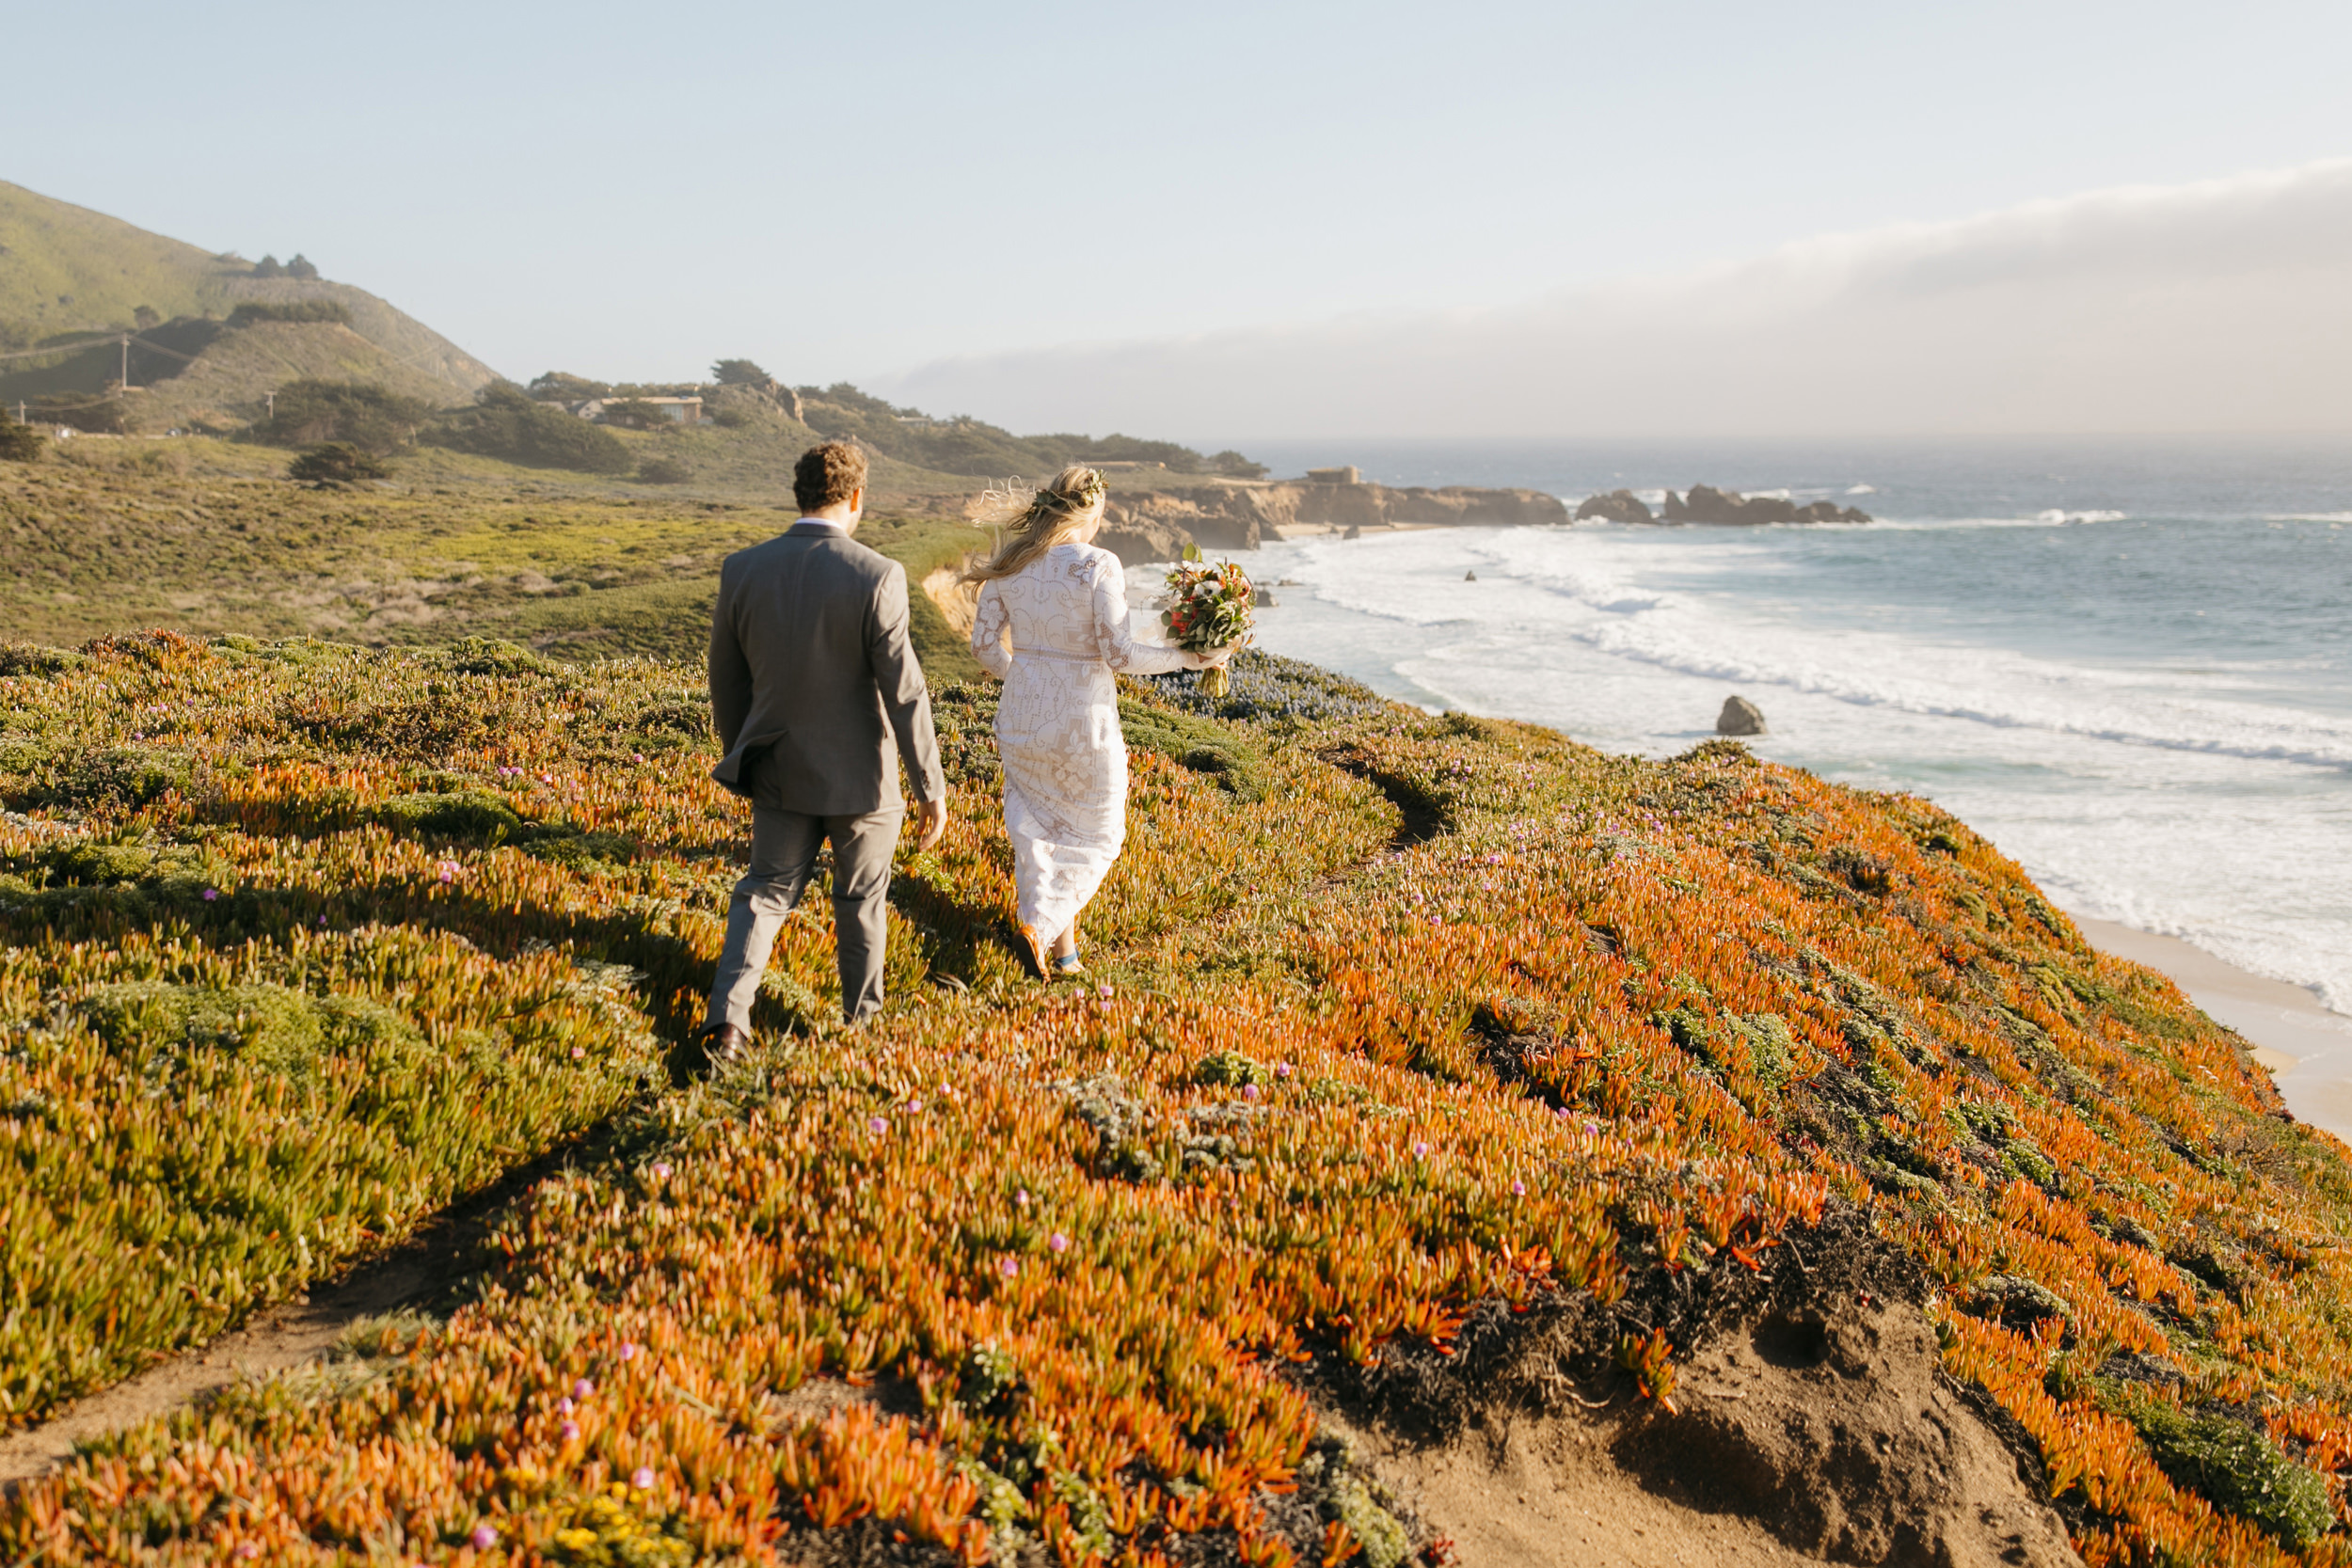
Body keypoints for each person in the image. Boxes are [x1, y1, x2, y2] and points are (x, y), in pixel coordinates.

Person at [699, 439, 948, 1060]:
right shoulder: (877, 574)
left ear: (799, 495)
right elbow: (906, 692)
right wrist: (930, 785)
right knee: (860, 901)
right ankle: (860, 1032)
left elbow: (725, 680)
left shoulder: (743, 568)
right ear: (856, 497)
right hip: (865, 783)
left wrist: (745, 758)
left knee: (765, 891)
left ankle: (728, 1025)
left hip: (778, 768)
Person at [966, 467, 1226, 976]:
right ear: (1092, 512)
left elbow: (981, 646)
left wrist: (1023, 676)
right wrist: (1191, 658)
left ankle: (1064, 956)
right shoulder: (1098, 564)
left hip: (1021, 715)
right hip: (1081, 722)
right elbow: (1119, 653)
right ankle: (1038, 927)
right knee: (1097, 835)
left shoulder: (1010, 562)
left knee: (1038, 830)